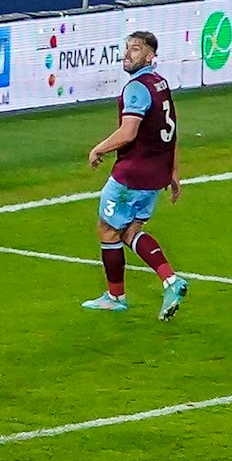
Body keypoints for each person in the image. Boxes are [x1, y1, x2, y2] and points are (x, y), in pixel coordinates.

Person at [83, 31, 188, 319]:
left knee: (108, 229)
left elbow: (128, 132)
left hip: (132, 174)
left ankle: (115, 297)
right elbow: (170, 130)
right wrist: (173, 171)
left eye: (136, 49)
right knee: (130, 231)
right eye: (127, 48)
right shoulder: (160, 83)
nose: (128, 54)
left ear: (150, 56)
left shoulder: (137, 88)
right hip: (155, 175)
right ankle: (170, 280)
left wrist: (99, 148)